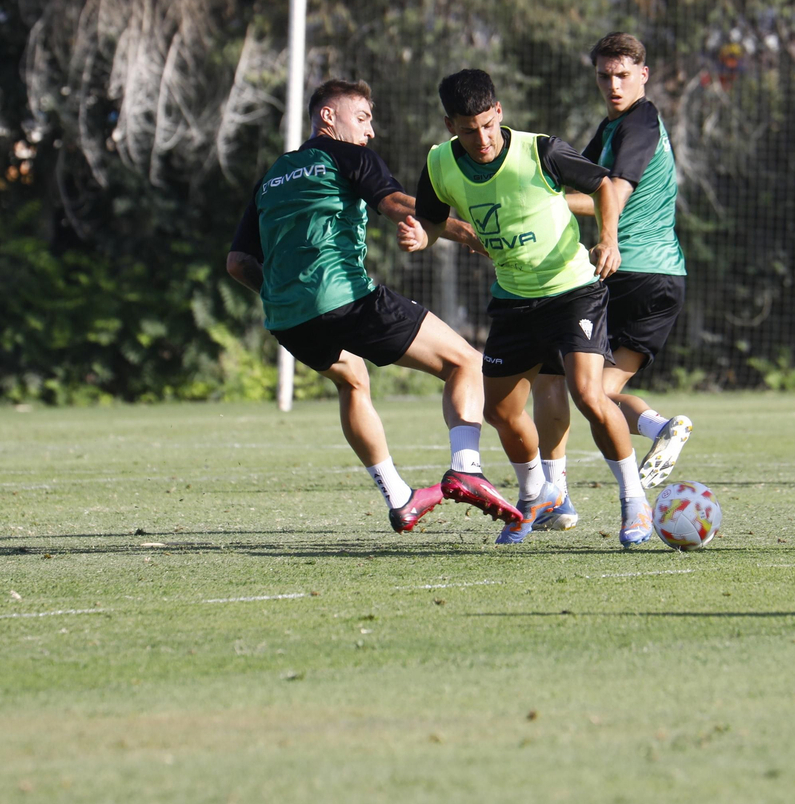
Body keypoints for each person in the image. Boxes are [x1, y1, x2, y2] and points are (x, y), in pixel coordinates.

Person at [225, 79, 522, 534]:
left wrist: (286, 294)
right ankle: (467, 467)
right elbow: (397, 203)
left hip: (287, 319)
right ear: (329, 117)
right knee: (464, 362)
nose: (371, 132)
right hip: (344, 298)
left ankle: (400, 498)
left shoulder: (273, 175)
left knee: (353, 381)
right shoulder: (347, 155)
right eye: (363, 118)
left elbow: (238, 262)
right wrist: (474, 237)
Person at [400, 68, 655, 548]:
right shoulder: (439, 164)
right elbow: (433, 221)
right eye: (468, 128)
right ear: (450, 124)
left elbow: (603, 185)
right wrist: (422, 235)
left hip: (573, 290)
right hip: (514, 300)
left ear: (498, 112)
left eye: (487, 124)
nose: (481, 138)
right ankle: (542, 494)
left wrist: (607, 239)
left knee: (587, 394)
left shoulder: (542, 150)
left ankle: (634, 501)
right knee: (499, 409)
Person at [527, 33, 692, 532]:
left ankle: (554, 494)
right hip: (667, 280)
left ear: (644, 74)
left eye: (623, 75)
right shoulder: (614, 125)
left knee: (555, 377)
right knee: (597, 390)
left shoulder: (640, 121)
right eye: (605, 75)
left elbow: (612, 195)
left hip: (625, 271)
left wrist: (547, 214)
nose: (614, 84)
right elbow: (582, 187)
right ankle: (660, 426)